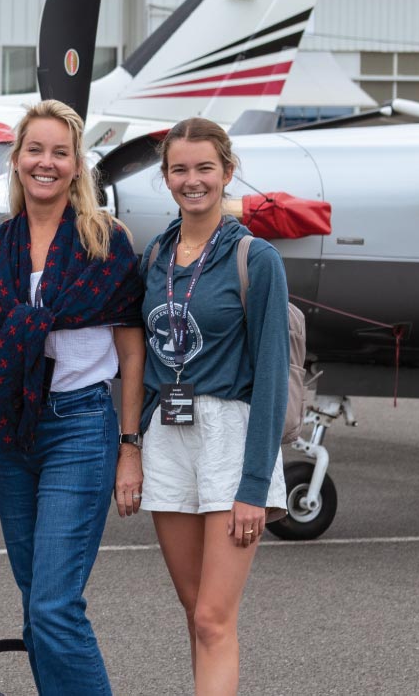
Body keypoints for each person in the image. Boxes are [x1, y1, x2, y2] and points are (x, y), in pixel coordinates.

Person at [0, 101, 145, 695]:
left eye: (60, 152)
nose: (46, 162)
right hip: (8, 431)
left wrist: (129, 446)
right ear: (16, 160)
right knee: (34, 602)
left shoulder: (106, 242)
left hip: (79, 425)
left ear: (77, 167)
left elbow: (130, 353)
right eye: (35, 150)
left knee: (54, 606)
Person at [136, 117, 289, 696]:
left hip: (231, 432)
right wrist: (132, 448)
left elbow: (273, 375)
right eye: (180, 169)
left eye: (205, 168)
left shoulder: (256, 257)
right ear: (166, 177)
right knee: (193, 608)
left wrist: (254, 484)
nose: (192, 180)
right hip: (168, 435)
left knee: (213, 618)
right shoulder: (154, 256)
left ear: (227, 172)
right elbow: (141, 364)